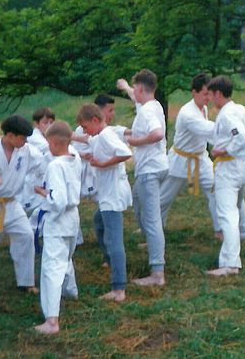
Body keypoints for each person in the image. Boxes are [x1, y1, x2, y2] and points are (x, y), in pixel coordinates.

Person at [77, 103, 132, 301]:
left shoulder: (107, 135)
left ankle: (119, 288)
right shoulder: (99, 136)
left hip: (112, 196)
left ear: (95, 120)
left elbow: (125, 153)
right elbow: (88, 140)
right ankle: (109, 259)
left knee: (114, 239)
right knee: (98, 222)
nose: (84, 131)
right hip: (108, 194)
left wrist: (102, 164)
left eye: (85, 127)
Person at [0, 115, 42, 294]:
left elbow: (44, 162)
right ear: (10, 135)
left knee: (25, 235)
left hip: (12, 203)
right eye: (22, 138)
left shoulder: (27, 151)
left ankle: (26, 282)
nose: (25, 142)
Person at [121, 69, 169, 287]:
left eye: (135, 89)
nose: (134, 93)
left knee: (152, 219)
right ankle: (152, 241)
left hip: (150, 170)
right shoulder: (153, 104)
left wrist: (135, 142)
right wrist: (125, 87)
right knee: (137, 200)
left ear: (141, 88)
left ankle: (157, 273)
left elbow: (157, 133)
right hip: (156, 167)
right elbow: (136, 97)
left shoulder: (147, 111)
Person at [33, 121, 83, 335]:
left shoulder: (55, 166)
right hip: (73, 219)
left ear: (53, 143)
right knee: (66, 258)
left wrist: (44, 194)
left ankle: (51, 320)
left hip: (59, 219)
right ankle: (70, 291)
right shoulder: (75, 158)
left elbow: (58, 200)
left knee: (51, 268)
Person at [158, 73, 220, 236]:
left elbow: (207, 132)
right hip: (181, 160)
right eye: (205, 94)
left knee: (216, 191)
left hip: (201, 158)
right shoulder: (188, 113)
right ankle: (153, 230)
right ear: (194, 92)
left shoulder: (203, 108)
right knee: (163, 199)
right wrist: (228, 128)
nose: (209, 98)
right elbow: (208, 129)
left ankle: (220, 229)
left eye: (210, 94)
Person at [206, 76, 245, 276]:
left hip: (229, 169)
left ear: (218, 93)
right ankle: (242, 235)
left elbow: (243, 138)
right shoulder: (239, 109)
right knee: (236, 208)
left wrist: (223, 150)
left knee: (227, 215)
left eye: (210, 95)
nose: (209, 99)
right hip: (241, 168)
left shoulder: (226, 115)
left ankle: (230, 264)